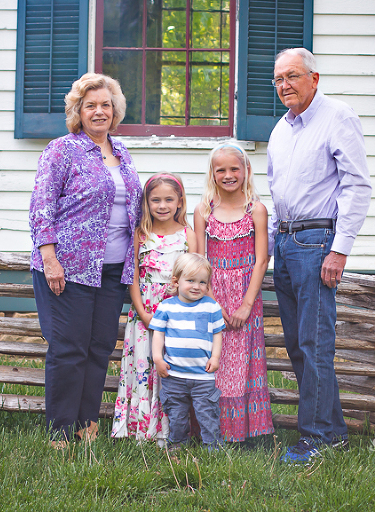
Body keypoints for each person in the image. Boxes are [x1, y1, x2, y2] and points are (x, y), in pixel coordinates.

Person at [267, 48, 372, 462]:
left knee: (315, 343)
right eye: (277, 80)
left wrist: (339, 249)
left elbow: (357, 186)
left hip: (316, 244)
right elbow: (277, 192)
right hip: (285, 243)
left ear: (314, 78)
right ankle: (334, 432)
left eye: (291, 76)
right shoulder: (281, 129)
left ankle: (314, 438)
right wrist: (273, 240)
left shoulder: (337, 116)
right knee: (296, 344)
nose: (284, 85)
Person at [29, 73, 142, 447]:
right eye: (90, 105)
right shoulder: (62, 150)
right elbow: (41, 206)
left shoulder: (122, 152)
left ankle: (86, 425)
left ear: (115, 110)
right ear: (78, 111)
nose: (99, 111)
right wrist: (49, 258)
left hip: (112, 272)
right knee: (69, 348)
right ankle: (60, 431)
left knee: (98, 347)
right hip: (69, 267)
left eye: (105, 104)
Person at [193, 143, 274, 444]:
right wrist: (212, 300)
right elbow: (199, 260)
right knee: (215, 360)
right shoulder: (204, 210)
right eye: (221, 170)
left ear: (246, 170)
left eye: (234, 169)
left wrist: (246, 305)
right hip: (212, 296)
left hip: (245, 297)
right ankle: (211, 431)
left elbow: (262, 259)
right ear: (212, 174)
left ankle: (248, 432)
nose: (228, 175)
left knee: (246, 363)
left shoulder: (256, 209)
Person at [112, 173, 197, 445]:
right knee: (143, 367)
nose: (162, 206)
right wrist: (143, 312)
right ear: (146, 203)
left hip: (176, 315)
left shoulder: (188, 235)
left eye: (169, 200)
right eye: (155, 200)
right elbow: (134, 277)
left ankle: (170, 432)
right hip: (145, 314)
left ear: (180, 202)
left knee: (170, 371)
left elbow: (195, 274)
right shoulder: (140, 235)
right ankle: (139, 430)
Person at [150, 253, 225, 449]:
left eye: (202, 282)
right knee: (177, 415)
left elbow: (217, 334)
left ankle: (213, 449)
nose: (196, 286)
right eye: (190, 280)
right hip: (174, 374)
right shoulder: (167, 307)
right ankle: (177, 447)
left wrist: (215, 357)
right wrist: (158, 358)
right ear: (176, 281)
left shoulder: (211, 307)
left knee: (207, 414)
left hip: (203, 376)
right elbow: (158, 334)